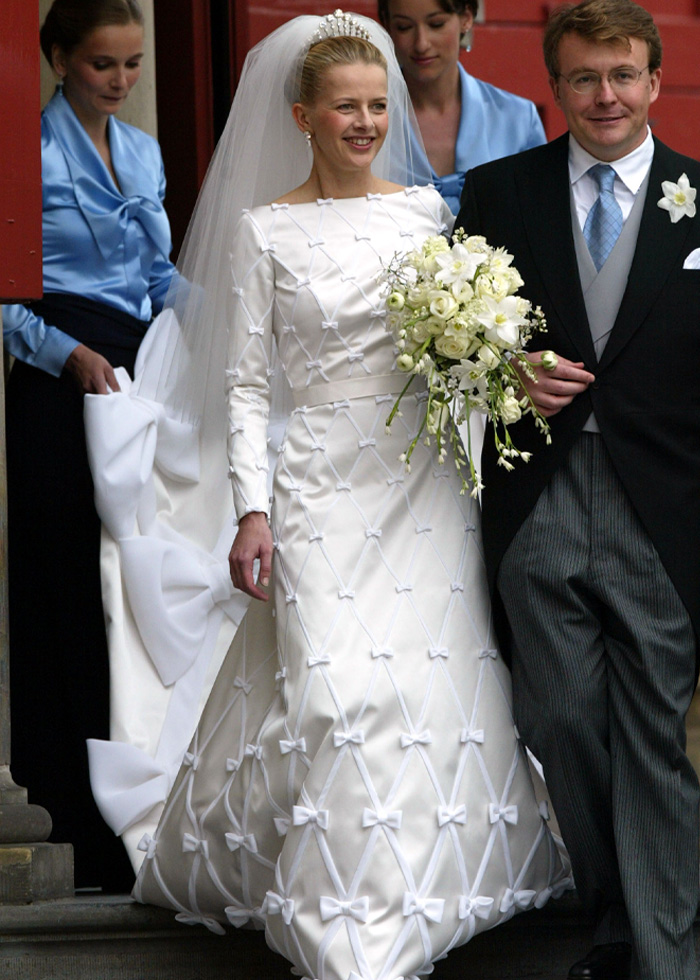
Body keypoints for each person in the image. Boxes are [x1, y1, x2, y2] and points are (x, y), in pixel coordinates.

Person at [123, 11, 571, 980]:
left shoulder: (423, 214)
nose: (366, 123)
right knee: (333, 695)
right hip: (320, 483)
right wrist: (251, 506)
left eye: (378, 106)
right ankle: (348, 936)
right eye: (346, 108)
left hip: (421, 485)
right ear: (302, 116)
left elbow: (465, 349)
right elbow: (245, 381)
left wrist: (506, 367)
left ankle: (386, 921)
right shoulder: (263, 230)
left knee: (416, 690)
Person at [456, 1, 700, 978]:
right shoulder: (499, 190)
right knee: (557, 713)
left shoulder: (697, 195)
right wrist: (504, 367)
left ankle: (662, 956)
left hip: (664, 503)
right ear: (555, 87)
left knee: (652, 731)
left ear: (653, 79)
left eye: (622, 75)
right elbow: (454, 341)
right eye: (584, 78)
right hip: (536, 485)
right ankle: (615, 908)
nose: (605, 95)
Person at [2, 0, 175, 892]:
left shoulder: (143, 152)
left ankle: (139, 811)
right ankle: (72, 812)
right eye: (103, 64)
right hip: (54, 374)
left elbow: (158, 276)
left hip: (138, 375)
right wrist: (63, 355)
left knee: (131, 581)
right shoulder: (23, 154)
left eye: (132, 64)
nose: (119, 81)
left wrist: (207, 322)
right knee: (65, 580)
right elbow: (1, 300)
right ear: (58, 60)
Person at [378, 0, 546, 213]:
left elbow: (540, 216)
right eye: (404, 27)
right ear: (387, 26)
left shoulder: (519, 118)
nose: (421, 43)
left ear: (466, 18)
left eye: (436, 24)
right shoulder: (366, 121)